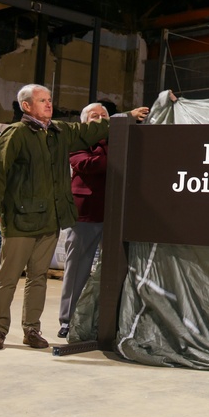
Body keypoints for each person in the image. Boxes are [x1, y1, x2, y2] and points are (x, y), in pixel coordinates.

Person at [0, 85, 110, 350]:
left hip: (49, 220)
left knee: (38, 278)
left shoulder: (59, 131)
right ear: (26, 106)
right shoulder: (16, 134)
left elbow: (90, 131)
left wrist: (128, 116)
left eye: (50, 100)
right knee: (8, 278)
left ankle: (32, 330)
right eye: (42, 100)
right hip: (21, 220)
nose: (49, 104)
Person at [57, 101, 148, 338]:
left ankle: (109, 322)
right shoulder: (77, 141)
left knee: (115, 269)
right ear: (84, 123)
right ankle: (68, 320)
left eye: (104, 115)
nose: (99, 119)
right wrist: (114, 150)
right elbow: (88, 165)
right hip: (86, 214)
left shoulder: (118, 140)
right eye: (94, 116)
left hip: (116, 213)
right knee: (78, 268)